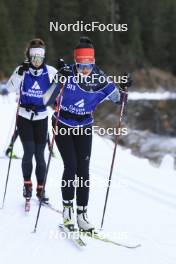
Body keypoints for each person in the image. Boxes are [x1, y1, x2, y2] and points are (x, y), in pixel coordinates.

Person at [44, 36, 132, 232]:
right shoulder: (67, 74)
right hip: (63, 123)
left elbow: (120, 100)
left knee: (83, 171)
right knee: (71, 166)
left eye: (89, 65)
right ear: (76, 63)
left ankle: (82, 215)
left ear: (94, 62)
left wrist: (125, 88)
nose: (85, 70)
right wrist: (59, 78)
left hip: (84, 126)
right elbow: (46, 100)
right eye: (81, 65)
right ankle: (67, 211)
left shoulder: (99, 78)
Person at [6, 38, 57, 202]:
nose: (37, 62)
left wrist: (63, 74)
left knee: (40, 155)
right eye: (34, 58)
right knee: (29, 151)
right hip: (24, 116)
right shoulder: (22, 70)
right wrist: (19, 74)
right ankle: (27, 184)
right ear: (29, 57)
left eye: (40, 58)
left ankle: (40, 188)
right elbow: (9, 88)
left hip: (41, 117)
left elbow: (61, 87)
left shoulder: (50, 71)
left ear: (44, 58)